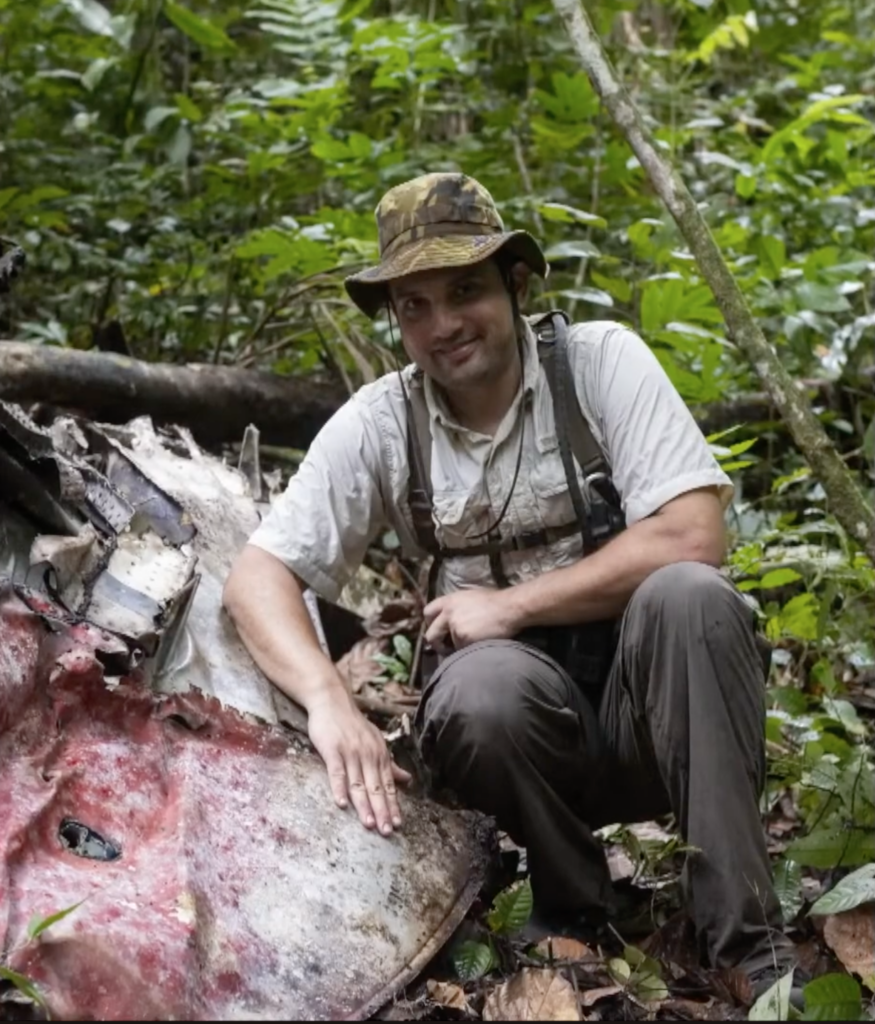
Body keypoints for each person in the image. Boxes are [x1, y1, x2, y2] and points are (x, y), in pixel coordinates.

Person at [223, 172, 798, 992]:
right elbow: (257, 576)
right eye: (412, 306)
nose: (442, 325)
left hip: (657, 717)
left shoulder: (599, 362)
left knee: (690, 596)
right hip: (514, 740)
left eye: (463, 291)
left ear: (516, 283)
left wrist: (511, 604)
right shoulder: (385, 421)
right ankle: (570, 908)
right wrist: (327, 703)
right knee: (479, 690)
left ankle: (745, 944)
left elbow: (691, 533)